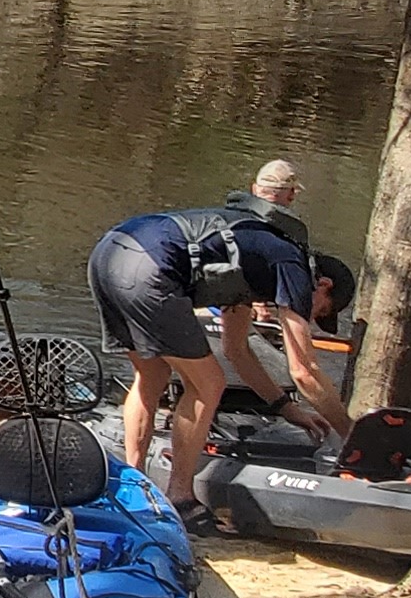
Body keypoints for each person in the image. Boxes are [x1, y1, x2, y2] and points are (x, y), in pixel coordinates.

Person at [91, 195, 350, 511]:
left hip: (110, 252)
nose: (312, 319)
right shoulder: (292, 265)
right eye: (322, 310)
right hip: (150, 267)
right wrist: (351, 435)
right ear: (324, 285)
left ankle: (134, 487)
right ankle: (180, 497)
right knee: (208, 384)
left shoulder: (254, 258)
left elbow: (236, 351)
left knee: (152, 374)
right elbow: (304, 371)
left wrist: (287, 409)